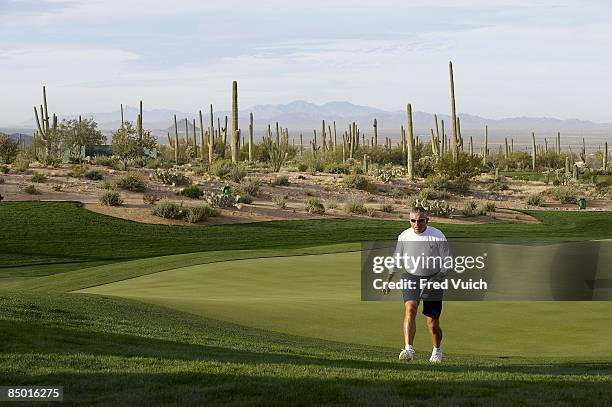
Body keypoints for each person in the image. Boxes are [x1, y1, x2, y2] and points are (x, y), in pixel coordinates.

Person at [382, 206, 452, 363]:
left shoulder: (437, 236)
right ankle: (408, 350)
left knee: (432, 323)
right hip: (411, 277)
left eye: (420, 220)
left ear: (427, 220)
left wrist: (439, 276)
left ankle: (437, 350)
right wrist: (388, 280)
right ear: (409, 221)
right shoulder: (404, 236)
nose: (416, 224)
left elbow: (448, 261)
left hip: (433, 279)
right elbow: (396, 259)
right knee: (410, 308)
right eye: (413, 221)